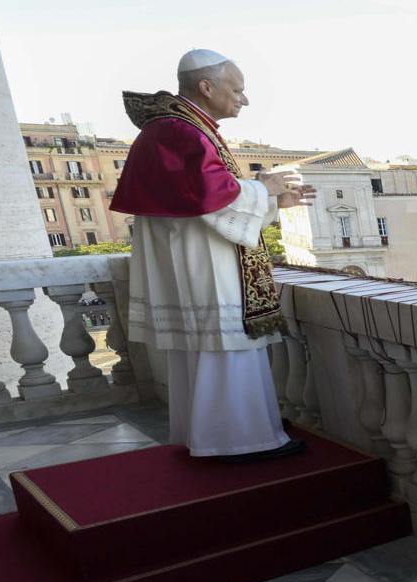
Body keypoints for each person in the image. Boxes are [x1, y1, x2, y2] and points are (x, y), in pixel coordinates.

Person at [111, 49, 315, 461]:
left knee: (209, 351)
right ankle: (239, 439)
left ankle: (228, 430)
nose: (244, 99)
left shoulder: (176, 126)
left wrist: (277, 202)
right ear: (207, 87)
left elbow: (211, 197)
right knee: (225, 346)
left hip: (196, 257)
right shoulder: (180, 131)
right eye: (237, 89)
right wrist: (264, 185)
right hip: (204, 263)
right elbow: (211, 198)